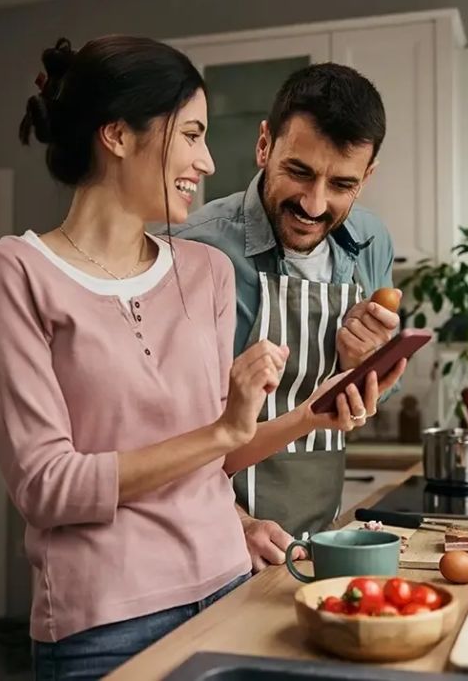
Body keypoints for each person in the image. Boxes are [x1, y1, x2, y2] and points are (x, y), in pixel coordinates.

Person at [0, 37, 403, 679]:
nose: (205, 159)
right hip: (106, 620)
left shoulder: (203, 272)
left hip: (231, 585)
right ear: (117, 135)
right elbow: (46, 487)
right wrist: (227, 435)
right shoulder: (14, 273)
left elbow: (215, 453)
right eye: (193, 133)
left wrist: (317, 410)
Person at [172, 64, 402, 572]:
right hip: (217, 541)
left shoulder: (371, 243)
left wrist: (366, 366)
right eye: (299, 172)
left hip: (321, 537)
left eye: (341, 183)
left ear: (366, 178)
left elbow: (363, 407)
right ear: (264, 146)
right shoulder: (195, 248)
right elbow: (171, 432)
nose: (314, 204)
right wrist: (238, 522)